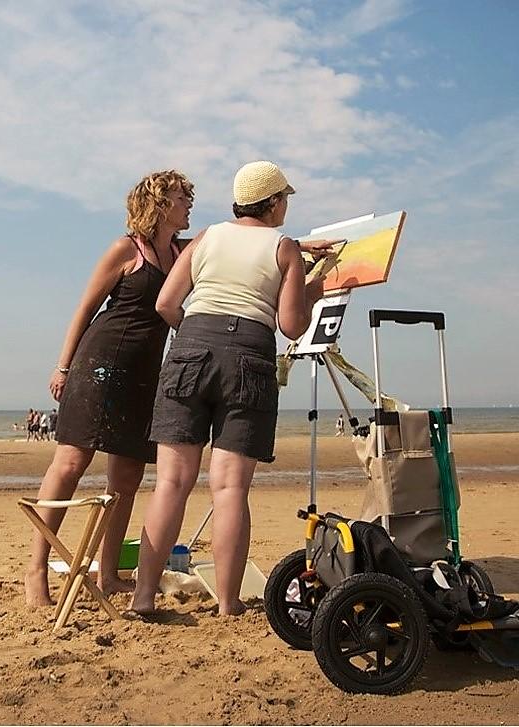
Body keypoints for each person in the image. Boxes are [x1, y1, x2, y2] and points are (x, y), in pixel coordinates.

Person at [130, 160, 335, 617]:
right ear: (275, 202)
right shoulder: (284, 249)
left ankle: (143, 597)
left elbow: (166, 303)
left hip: (190, 348)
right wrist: (312, 291)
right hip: (248, 355)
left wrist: (197, 336)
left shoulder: (205, 237)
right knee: (228, 490)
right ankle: (227, 603)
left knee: (170, 482)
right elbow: (290, 325)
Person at [24, 170, 195, 607]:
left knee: (128, 476)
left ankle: (107, 573)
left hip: (144, 377)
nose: (189, 203)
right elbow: (85, 308)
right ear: (158, 204)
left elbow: (228, 239)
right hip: (99, 366)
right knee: (71, 462)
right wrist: (63, 366)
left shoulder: (180, 253)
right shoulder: (126, 248)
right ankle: (36, 569)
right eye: (181, 197)